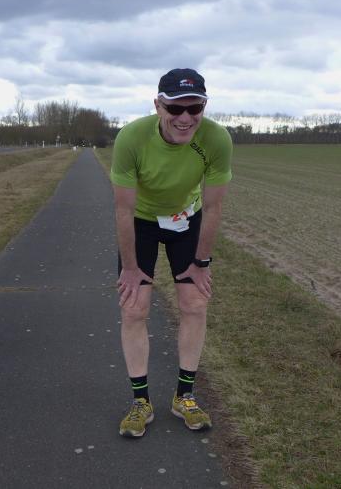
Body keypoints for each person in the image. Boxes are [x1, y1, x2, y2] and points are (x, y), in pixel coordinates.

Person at [110, 68, 233, 437]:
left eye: (195, 108)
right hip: (142, 221)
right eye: (175, 108)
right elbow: (123, 210)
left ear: (204, 107)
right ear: (158, 105)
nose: (185, 118)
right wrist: (131, 268)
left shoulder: (216, 139)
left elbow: (213, 207)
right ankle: (140, 402)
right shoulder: (131, 138)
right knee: (134, 308)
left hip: (187, 220)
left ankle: (185, 396)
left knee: (195, 304)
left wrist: (202, 262)